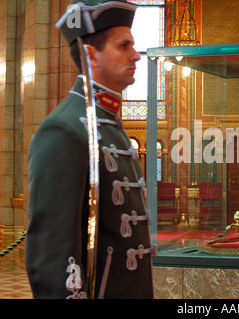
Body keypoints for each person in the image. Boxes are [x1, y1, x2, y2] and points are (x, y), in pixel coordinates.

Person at [26, 0, 154, 299]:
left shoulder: (110, 125)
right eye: (124, 46)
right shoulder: (63, 130)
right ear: (90, 54)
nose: (136, 55)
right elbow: (51, 261)